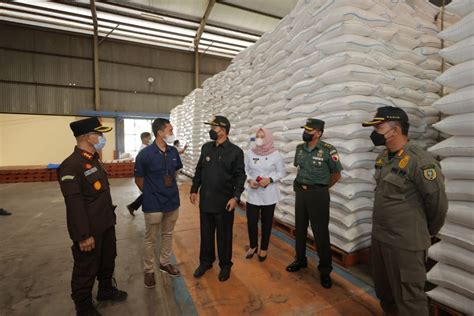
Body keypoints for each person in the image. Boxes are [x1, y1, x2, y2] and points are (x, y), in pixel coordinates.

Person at [362, 106, 448, 315]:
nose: (374, 132)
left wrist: (426, 232)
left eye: (378, 127)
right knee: (385, 293)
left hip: (405, 245)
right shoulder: (383, 158)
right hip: (381, 240)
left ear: (395, 129)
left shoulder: (420, 162)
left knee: (410, 301)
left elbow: (438, 204)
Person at [58, 117, 127, 316]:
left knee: (108, 260)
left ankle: (105, 290)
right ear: (88, 137)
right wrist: (83, 235)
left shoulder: (93, 160)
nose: (102, 137)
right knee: (85, 269)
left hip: (105, 223)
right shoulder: (71, 166)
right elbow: (74, 205)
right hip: (89, 230)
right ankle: (84, 307)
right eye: (99, 134)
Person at [286, 118, 342, 289]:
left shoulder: (328, 150)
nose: (305, 132)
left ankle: (325, 271)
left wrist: (321, 188)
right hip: (301, 193)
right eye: (305, 129)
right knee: (300, 228)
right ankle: (300, 260)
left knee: (320, 233)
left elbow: (336, 174)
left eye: (309, 130)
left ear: (318, 133)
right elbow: (300, 169)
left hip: (318, 194)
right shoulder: (300, 149)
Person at [190, 116, 246, 282]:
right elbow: (199, 169)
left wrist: (236, 197)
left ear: (223, 130)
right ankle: (206, 262)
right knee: (206, 234)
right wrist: (194, 189)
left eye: (214, 127)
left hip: (224, 202)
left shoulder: (235, 152)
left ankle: (225, 265)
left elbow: (240, 176)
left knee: (224, 236)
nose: (211, 130)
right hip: (206, 200)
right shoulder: (206, 148)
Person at [134, 118, 183, 289]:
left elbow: (175, 172)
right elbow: (139, 179)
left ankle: (164, 263)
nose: (172, 133)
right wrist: (149, 193)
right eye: (170, 130)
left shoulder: (173, 152)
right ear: (160, 132)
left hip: (172, 200)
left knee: (168, 234)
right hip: (153, 202)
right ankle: (149, 270)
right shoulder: (145, 155)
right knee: (151, 238)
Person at [244, 128, 285, 261]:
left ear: (268, 138)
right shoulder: (250, 153)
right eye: (257, 136)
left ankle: (263, 248)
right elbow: (245, 169)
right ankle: (253, 245)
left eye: (262, 136)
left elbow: (281, 172)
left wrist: (270, 179)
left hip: (269, 194)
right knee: (251, 221)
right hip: (253, 193)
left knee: (266, 223)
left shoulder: (276, 154)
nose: (259, 139)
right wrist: (250, 179)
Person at [127, 132, 152, 216]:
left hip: (147, 174)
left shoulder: (146, 148)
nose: (150, 140)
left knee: (148, 193)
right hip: (146, 175)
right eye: (149, 138)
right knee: (148, 192)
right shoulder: (144, 149)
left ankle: (132, 206)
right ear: (144, 138)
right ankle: (133, 206)